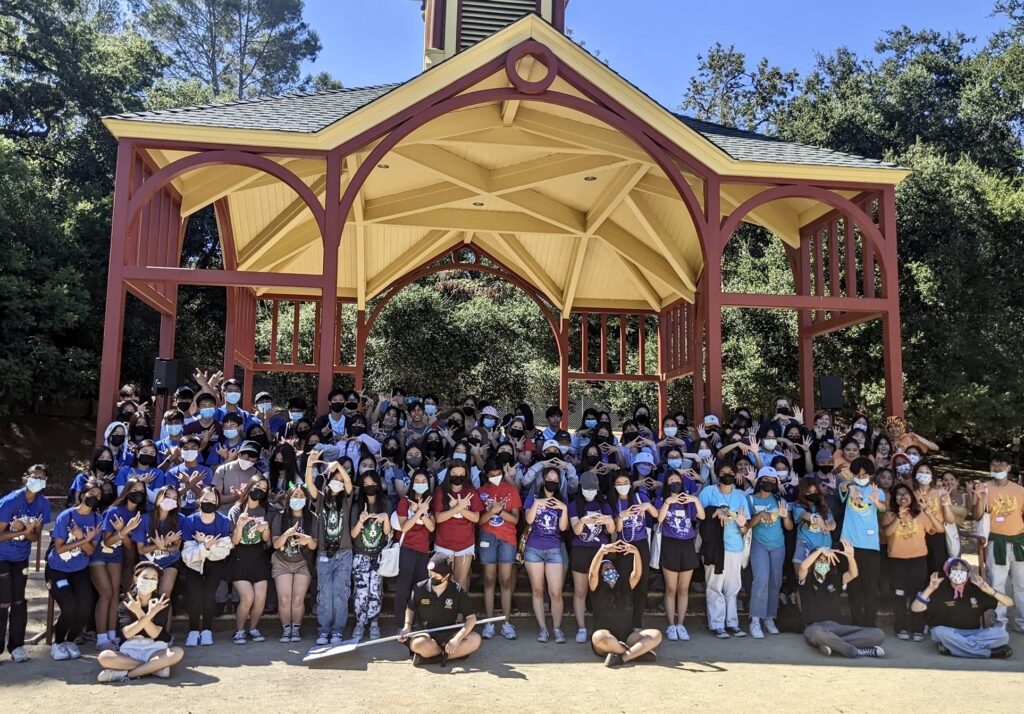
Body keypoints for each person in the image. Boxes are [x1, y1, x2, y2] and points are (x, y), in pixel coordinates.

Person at [96, 562, 184, 682]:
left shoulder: (161, 602)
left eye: (154, 578)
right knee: (104, 657)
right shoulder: (126, 603)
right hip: (130, 649)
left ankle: (126, 674)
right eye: (145, 577)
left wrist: (142, 613)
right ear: (136, 578)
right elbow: (128, 633)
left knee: (177, 653)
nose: (149, 581)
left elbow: (154, 634)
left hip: (155, 648)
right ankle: (154, 667)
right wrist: (148, 613)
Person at [799, 538, 886, 659]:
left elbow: (853, 574)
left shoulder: (834, 579)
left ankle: (833, 645)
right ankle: (856, 651)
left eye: (825, 561)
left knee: (878, 634)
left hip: (837, 628)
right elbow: (803, 566)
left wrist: (850, 557)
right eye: (819, 560)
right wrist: (821, 550)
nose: (822, 563)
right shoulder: (807, 579)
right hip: (815, 627)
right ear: (813, 563)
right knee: (817, 634)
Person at [46, 478, 103, 660]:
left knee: (85, 607)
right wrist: (83, 538)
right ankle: (58, 642)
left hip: (79, 569)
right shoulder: (67, 516)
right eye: (91, 493)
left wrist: (84, 540)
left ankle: (71, 640)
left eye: (98, 495)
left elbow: (91, 550)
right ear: (82, 494)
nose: (94, 497)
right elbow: (60, 548)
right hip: (58, 569)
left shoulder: (97, 519)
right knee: (69, 607)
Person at [912, 558, 1014, 659]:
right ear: (948, 574)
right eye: (955, 575)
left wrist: (991, 591)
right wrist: (930, 589)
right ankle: (988, 653)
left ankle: (954, 648)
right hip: (949, 632)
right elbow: (916, 608)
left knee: (1002, 635)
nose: (958, 582)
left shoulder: (976, 590)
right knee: (939, 632)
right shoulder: (940, 590)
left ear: (967, 575)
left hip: (974, 633)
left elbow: (1009, 603)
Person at [0, 465, 52, 663]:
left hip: (21, 557)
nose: (38, 479)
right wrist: (21, 530)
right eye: (35, 476)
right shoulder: (10, 501)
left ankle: (17, 646)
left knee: (19, 601)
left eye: (42, 477)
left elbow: (35, 539)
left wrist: (30, 531)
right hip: (2, 557)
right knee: (3, 601)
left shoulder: (42, 504)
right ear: (25, 478)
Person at [881, 482, 944, 640]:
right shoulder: (890, 514)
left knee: (918, 594)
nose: (903, 497)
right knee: (899, 595)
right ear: (894, 498)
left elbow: (940, 529)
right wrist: (898, 518)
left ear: (912, 496)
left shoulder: (920, 514)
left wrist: (929, 513)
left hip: (918, 560)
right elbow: (887, 533)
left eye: (906, 493)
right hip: (897, 561)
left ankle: (918, 627)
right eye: (899, 494)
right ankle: (901, 626)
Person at [588, 541, 662, 667]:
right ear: (601, 574)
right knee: (599, 637)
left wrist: (636, 553)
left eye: (611, 568)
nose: (609, 570)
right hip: (606, 638)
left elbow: (637, 573)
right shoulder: (596, 588)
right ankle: (637, 654)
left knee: (656, 635)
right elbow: (592, 573)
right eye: (606, 569)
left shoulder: (625, 585)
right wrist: (602, 551)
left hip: (628, 638)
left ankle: (622, 658)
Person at [306, 454, 354, 645]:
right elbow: (310, 485)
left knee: (340, 592)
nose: (338, 482)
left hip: (344, 552)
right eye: (335, 478)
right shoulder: (320, 499)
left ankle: (337, 631)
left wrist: (339, 467)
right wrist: (309, 466)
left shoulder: (348, 500)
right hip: (324, 553)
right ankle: (324, 630)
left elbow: (349, 482)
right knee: (324, 593)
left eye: (340, 479)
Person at [698, 463, 751, 638]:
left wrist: (743, 524)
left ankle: (732, 623)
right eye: (723, 473)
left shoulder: (741, 496)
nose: (727, 476)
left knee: (733, 586)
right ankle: (717, 624)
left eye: (730, 473)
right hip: (714, 546)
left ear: (735, 475)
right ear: (717, 475)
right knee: (715, 585)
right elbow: (700, 516)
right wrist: (715, 511)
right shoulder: (708, 492)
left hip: (735, 546)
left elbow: (746, 528)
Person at [399, 553, 481, 666]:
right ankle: (447, 656)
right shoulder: (420, 587)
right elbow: (410, 608)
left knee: (475, 640)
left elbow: (471, 618)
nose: (431, 578)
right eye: (430, 574)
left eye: (436, 576)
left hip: (448, 633)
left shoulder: (458, 591)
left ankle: (430, 658)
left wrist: (457, 639)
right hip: (425, 633)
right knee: (419, 644)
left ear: (446, 575)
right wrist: (407, 626)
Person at [92, 478, 146, 651]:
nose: (138, 493)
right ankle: (101, 637)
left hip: (117, 557)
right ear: (127, 490)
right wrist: (123, 531)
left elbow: (130, 546)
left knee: (116, 593)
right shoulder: (114, 510)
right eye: (135, 489)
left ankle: (112, 634)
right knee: (106, 593)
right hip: (99, 555)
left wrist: (125, 531)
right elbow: (107, 541)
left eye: (142, 490)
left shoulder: (140, 515)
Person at [972, 457, 1024, 632]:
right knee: (996, 584)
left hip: (1018, 542)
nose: (998, 467)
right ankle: (999, 622)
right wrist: (979, 498)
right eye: (994, 464)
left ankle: (1022, 621)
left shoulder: (1020, 490)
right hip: (996, 542)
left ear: (1009, 467)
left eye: (1002, 464)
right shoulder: (985, 488)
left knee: (1021, 585)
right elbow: (978, 516)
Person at [180, 487, 233, 647]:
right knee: (195, 597)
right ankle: (193, 630)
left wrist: (205, 546)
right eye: (206, 500)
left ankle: (207, 630)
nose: (209, 503)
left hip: (215, 563)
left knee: (209, 596)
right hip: (193, 565)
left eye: (213, 501)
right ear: (199, 500)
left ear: (217, 503)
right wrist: (206, 546)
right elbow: (187, 554)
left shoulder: (223, 521)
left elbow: (224, 551)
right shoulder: (190, 521)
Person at [838, 456, 887, 627]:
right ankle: (856, 624)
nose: (861, 477)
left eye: (865, 474)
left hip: (871, 546)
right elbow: (842, 486)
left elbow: (884, 507)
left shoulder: (877, 491)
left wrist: (874, 501)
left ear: (871, 474)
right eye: (857, 475)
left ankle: (870, 624)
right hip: (849, 546)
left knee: (870, 588)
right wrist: (851, 486)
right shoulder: (848, 487)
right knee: (853, 588)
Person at [745, 466, 793, 639]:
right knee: (761, 581)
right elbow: (746, 525)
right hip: (759, 544)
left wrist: (785, 515)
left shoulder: (780, 500)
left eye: (773, 481)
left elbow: (789, 527)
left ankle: (770, 618)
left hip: (778, 545)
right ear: (759, 481)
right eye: (766, 480)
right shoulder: (750, 499)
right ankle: (756, 620)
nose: (770, 483)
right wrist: (760, 515)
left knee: (775, 581)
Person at [523, 466, 570, 644]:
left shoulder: (561, 501)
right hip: (533, 549)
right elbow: (528, 520)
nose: (552, 481)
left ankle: (557, 629)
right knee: (537, 590)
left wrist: (563, 508)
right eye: (549, 477)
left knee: (555, 592)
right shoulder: (533, 497)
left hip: (554, 549)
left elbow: (564, 528)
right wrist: (537, 503)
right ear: (543, 479)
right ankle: (543, 629)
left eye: (555, 479)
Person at [657, 468, 704, 642]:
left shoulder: (688, 501)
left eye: (678, 481)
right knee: (671, 589)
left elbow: (702, 515)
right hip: (670, 545)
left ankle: (681, 624)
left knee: (683, 589)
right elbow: (660, 519)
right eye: (671, 481)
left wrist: (694, 499)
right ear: (667, 484)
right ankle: (671, 625)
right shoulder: (663, 499)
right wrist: (668, 502)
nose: (675, 483)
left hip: (687, 545)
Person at [477, 458, 521, 641]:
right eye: (492, 475)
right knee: (488, 580)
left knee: (505, 581)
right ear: (486, 475)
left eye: (498, 474)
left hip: (507, 539)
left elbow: (516, 520)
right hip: (487, 537)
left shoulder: (511, 491)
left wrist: (499, 511)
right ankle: (489, 622)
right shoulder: (481, 492)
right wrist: (491, 511)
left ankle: (505, 622)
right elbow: (478, 521)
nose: (495, 477)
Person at [569, 471, 615, 643]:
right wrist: (584, 520)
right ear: (581, 488)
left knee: (602, 589)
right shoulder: (574, 504)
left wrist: (607, 520)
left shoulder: (604, 504)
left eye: (593, 489)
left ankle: (602, 626)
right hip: (580, 550)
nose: (591, 491)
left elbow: (612, 530)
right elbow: (576, 530)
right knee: (580, 591)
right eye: (587, 489)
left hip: (601, 551)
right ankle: (581, 627)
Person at [228, 474, 272, 644]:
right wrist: (240, 525)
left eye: (264, 488)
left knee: (260, 598)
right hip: (239, 557)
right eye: (257, 486)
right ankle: (239, 630)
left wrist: (264, 529)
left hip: (259, 556)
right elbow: (235, 541)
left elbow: (267, 539)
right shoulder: (236, 509)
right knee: (248, 597)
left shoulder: (264, 509)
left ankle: (253, 628)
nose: (260, 490)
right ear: (250, 486)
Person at [271, 483, 316, 643]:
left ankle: (296, 628)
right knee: (284, 598)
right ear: (288, 498)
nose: (298, 499)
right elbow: (276, 544)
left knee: (298, 599)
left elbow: (314, 545)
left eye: (301, 496)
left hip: (303, 562)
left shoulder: (311, 518)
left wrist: (308, 540)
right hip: (282, 561)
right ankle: (286, 629)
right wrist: (286, 535)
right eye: (295, 496)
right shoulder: (280, 517)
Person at [350, 470, 392, 642]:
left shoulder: (386, 504)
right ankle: (360, 623)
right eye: (365, 485)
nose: (369, 487)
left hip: (379, 556)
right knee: (360, 592)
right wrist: (360, 521)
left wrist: (385, 518)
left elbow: (389, 533)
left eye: (372, 484)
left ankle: (374, 622)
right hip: (360, 555)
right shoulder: (355, 506)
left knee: (375, 590)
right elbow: (353, 535)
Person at [393, 469, 436, 633]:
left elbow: (431, 527)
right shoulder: (404, 502)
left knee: (421, 588)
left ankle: (419, 623)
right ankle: (400, 624)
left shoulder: (429, 502)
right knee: (403, 587)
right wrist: (417, 510)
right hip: (407, 549)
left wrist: (423, 511)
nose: (420, 484)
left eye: (423, 481)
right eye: (417, 481)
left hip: (424, 550)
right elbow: (405, 527)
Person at [432, 461, 483, 590]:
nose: (457, 476)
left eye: (461, 474)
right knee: (445, 582)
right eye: (454, 473)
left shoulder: (471, 492)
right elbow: (439, 518)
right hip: (443, 544)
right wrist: (457, 508)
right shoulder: (440, 492)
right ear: (449, 474)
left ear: (466, 475)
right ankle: (447, 610)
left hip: (465, 543)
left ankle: (460, 610)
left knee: (461, 582)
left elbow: (476, 518)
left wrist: (459, 508)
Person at [132, 484, 182, 596]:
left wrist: (163, 546)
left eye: (175, 499)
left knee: (164, 596)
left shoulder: (179, 519)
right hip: (147, 563)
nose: (171, 500)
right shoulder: (144, 519)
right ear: (159, 497)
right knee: (145, 595)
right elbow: (141, 550)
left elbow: (175, 547)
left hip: (170, 562)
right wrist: (161, 543)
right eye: (168, 497)